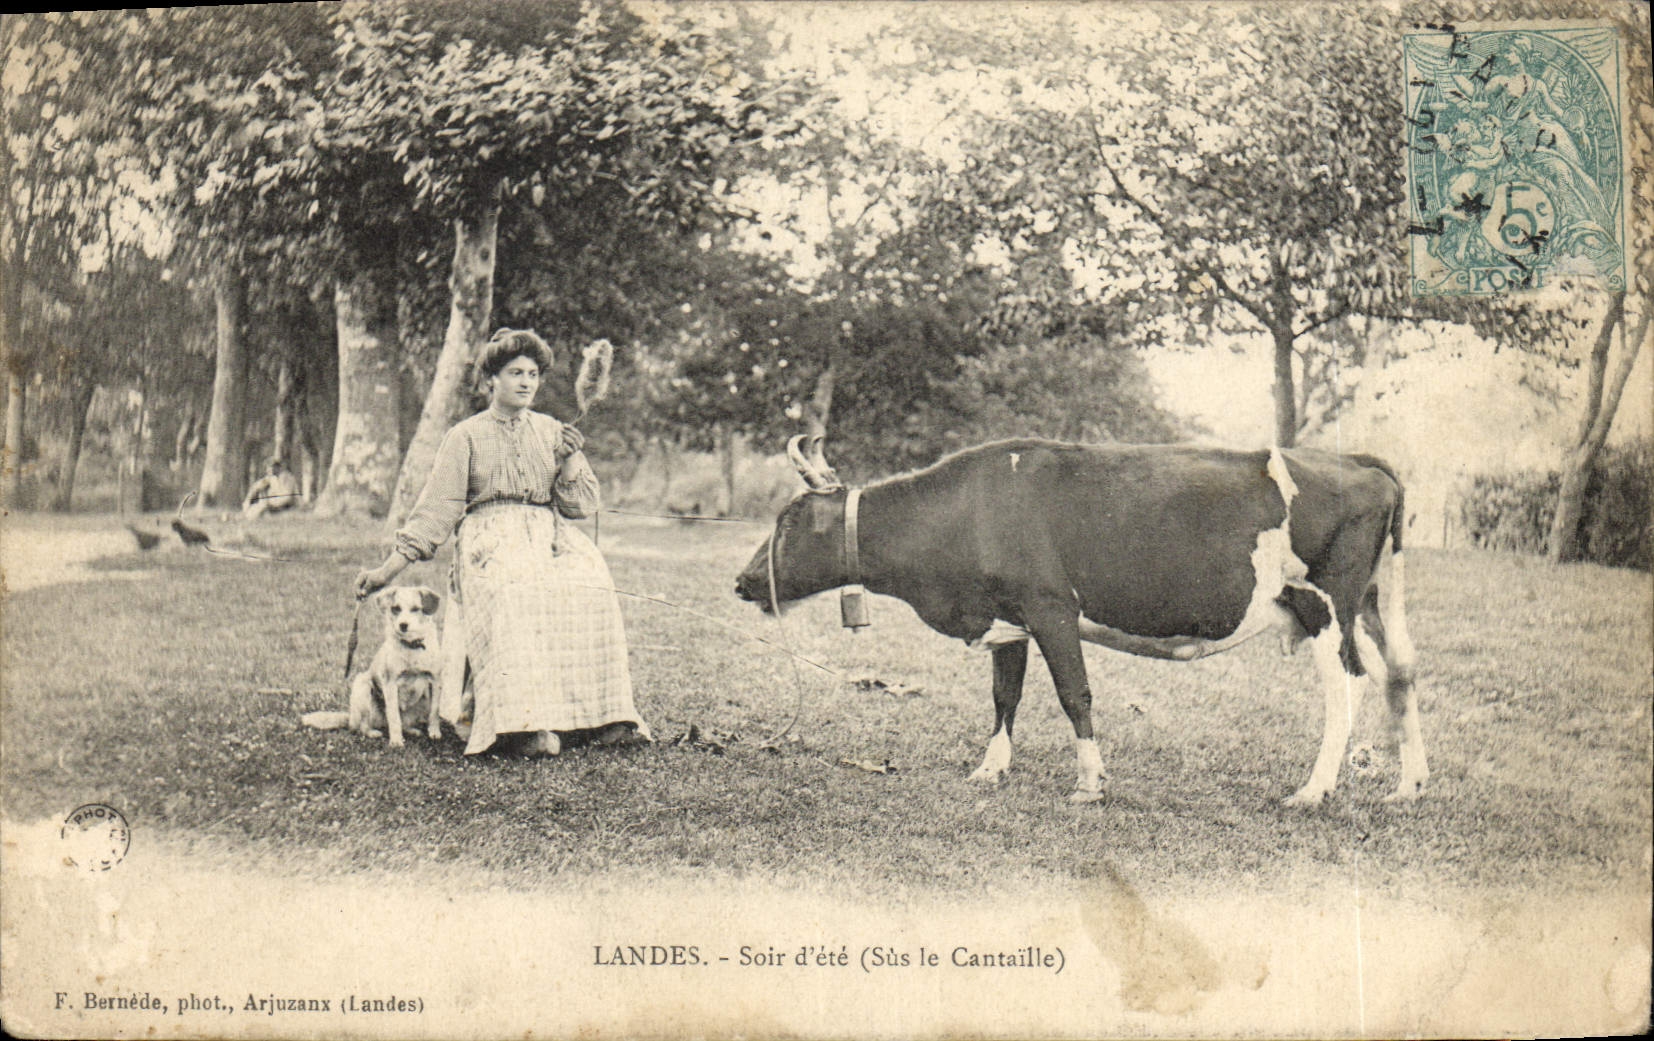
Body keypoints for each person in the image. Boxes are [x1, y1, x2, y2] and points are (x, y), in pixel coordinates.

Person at [354, 329, 649, 757]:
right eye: (515, 373)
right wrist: (386, 572)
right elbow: (434, 513)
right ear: (491, 379)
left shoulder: (552, 431)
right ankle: (519, 727)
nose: (526, 382)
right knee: (515, 594)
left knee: (593, 587)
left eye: (533, 374)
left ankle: (598, 719)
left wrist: (567, 461)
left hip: (547, 537)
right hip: (488, 543)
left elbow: (582, 504)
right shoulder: (466, 437)